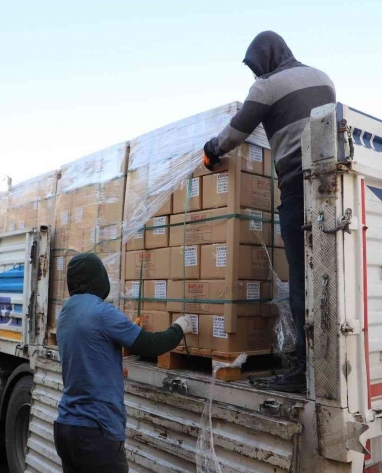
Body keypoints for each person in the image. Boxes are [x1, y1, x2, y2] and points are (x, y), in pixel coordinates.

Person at [203, 31, 336, 393]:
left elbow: (237, 132)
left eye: (254, 66)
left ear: (264, 58)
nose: (254, 74)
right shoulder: (323, 77)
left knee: (299, 278)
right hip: (332, 187)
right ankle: (331, 361)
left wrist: (212, 150)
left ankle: (304, 371)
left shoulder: (266, 86)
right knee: (327, 276)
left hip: (295, 184)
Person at [54, 252, 193, 473]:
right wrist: (179, 328)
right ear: (99, 279)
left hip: (66, 428)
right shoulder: (102, 312)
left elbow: (89, 352)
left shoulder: (65, 313)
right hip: (96, 432)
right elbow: (150, 345)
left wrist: (112, 368)